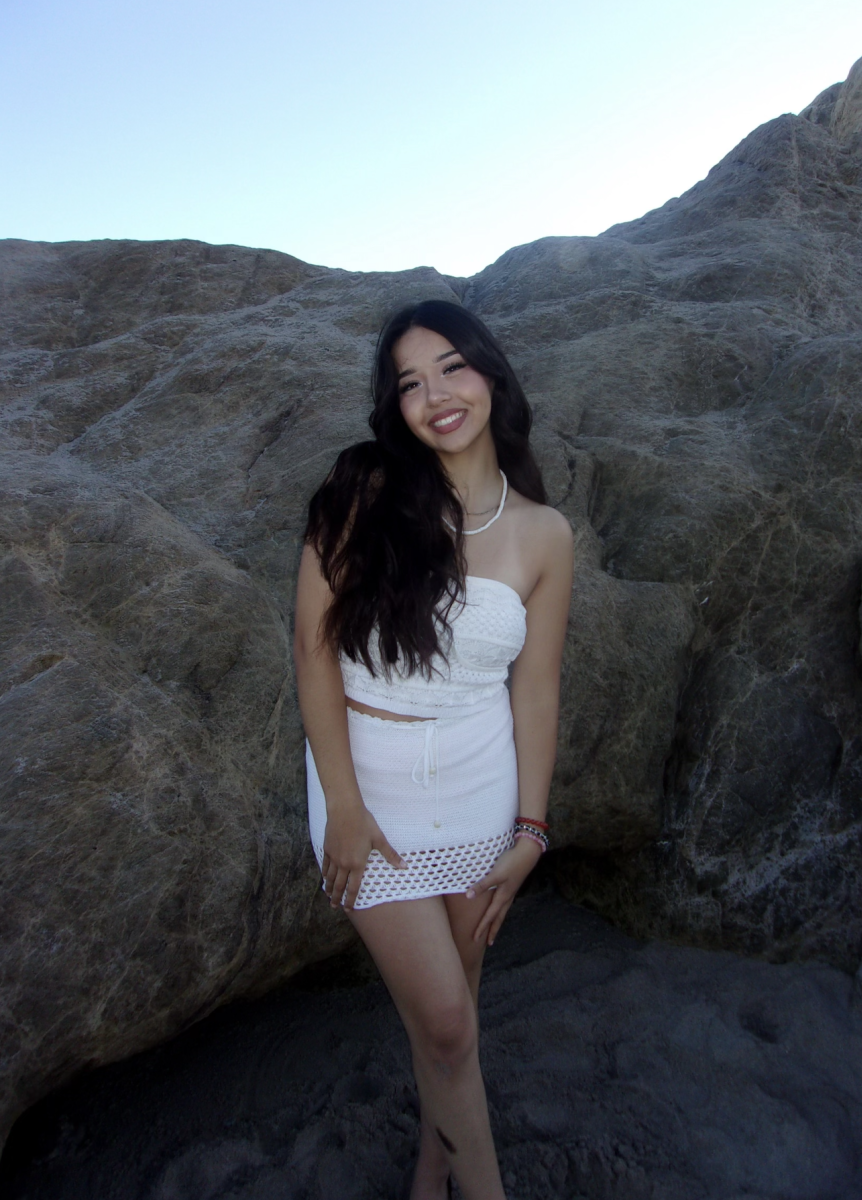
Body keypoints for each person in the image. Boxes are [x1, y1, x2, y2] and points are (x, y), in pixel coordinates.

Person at [293, 299, 573, 1200]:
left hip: (482, 787)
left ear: (490, 371)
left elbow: (534, 689)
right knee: (449, 1023)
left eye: (452, 366)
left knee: (448, 1019)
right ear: (394, 408)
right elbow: (313, 649)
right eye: (410, 383)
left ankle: (428, 1172)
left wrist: (531, 829)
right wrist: (342, 804)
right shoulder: (362, 491)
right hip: (368, 789)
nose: (436, 395)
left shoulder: (544, 534)